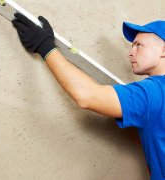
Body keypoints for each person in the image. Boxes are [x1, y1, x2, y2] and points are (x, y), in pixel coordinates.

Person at [12, 13, 165, 180]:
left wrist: (45, 47)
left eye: (138, 45)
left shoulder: (153, 92)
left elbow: (87, 96)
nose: (130, 52)